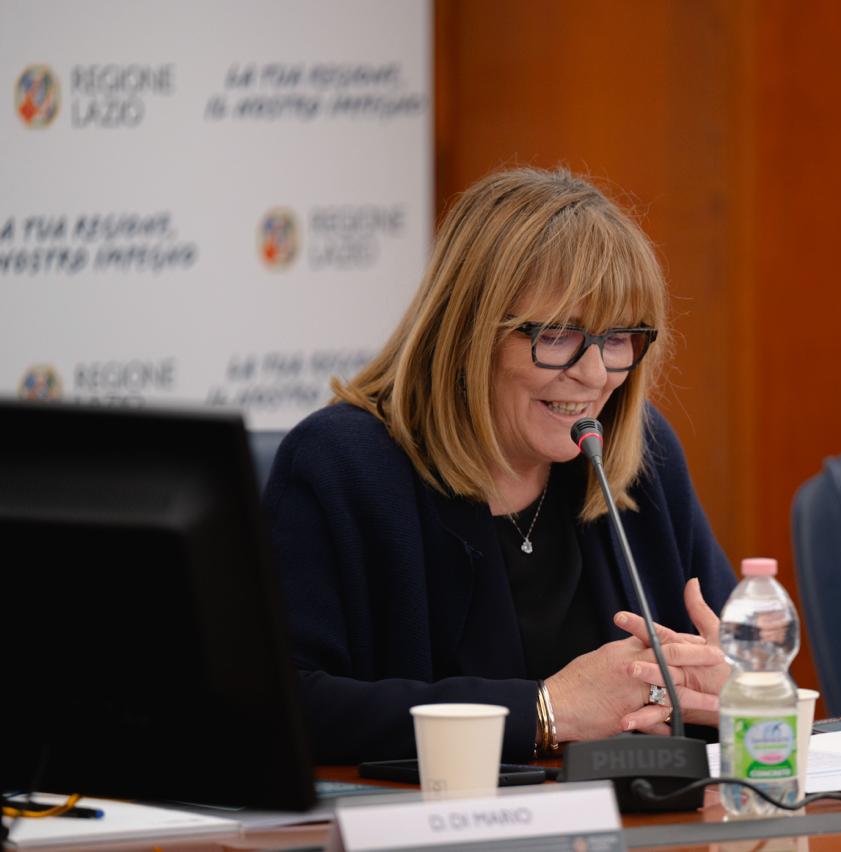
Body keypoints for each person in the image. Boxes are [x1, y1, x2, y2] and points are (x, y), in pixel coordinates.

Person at [264, 167, 736, 763]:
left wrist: (729, 690)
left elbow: (736, 664)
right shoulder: (343, 465)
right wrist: (544, 711)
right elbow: (284, 707)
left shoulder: (638, 451)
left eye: (619, 338)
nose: (594, 375)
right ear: (468, 332)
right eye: (558, 335)